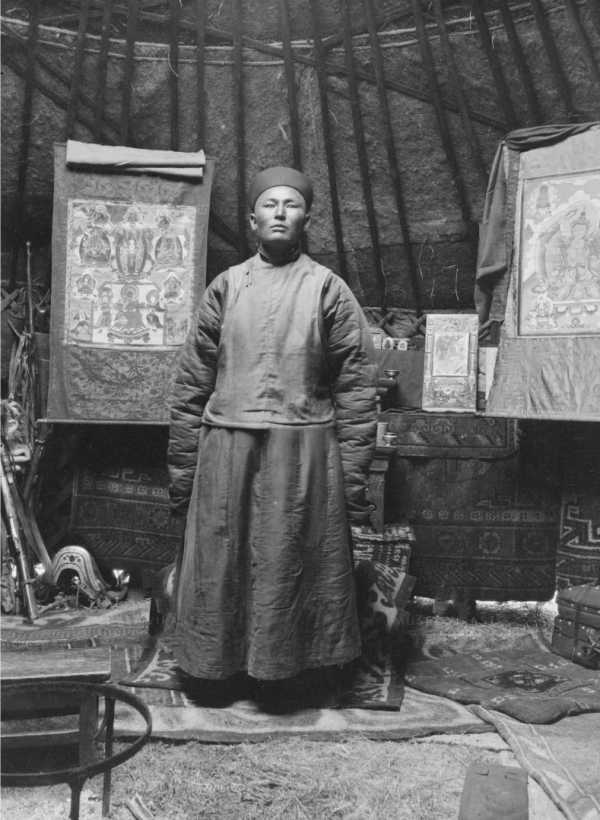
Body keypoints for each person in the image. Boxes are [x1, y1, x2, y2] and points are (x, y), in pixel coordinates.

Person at [167, 166, 377, 706]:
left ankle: (285, 677)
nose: (280, 213)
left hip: (302, 454)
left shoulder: (327, 289)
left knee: (289, 560)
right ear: (252, 219)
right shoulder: (226, 287)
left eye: (292, 204)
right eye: (270, 204)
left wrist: (352, 483)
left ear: (307, 218)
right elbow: (191, 386)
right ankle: (215, 672)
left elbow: (356, 389)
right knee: (223, 558)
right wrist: (183, 476)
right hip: (226, 450)